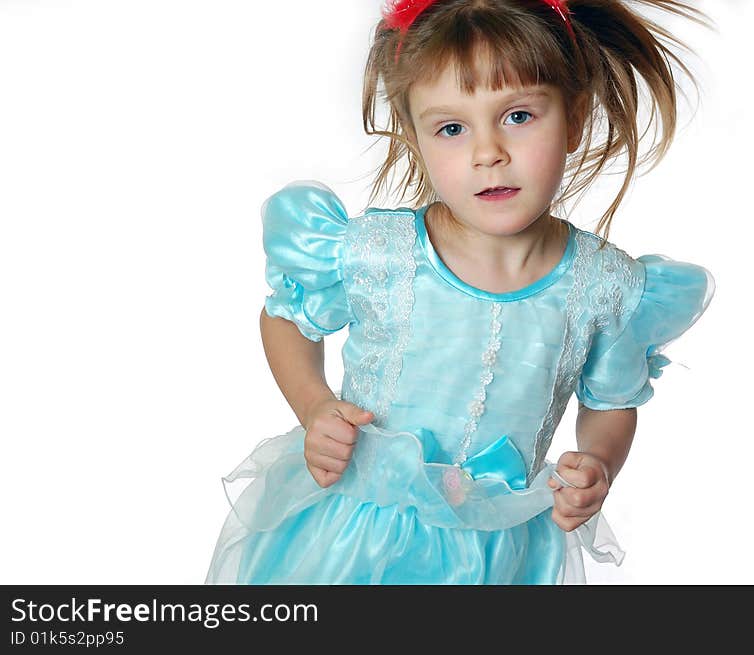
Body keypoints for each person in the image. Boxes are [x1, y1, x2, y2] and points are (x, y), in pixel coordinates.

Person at [204, 0, 716, 585]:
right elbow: (288, 318)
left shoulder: (606, 287)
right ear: (415, 136)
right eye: (452, 128)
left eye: (519, 116)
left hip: (496, 555)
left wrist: (598, 462)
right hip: (352, 539)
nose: (488, 152)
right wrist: (315, 405)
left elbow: (610, 403)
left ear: (574, 119)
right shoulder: (382, 253)